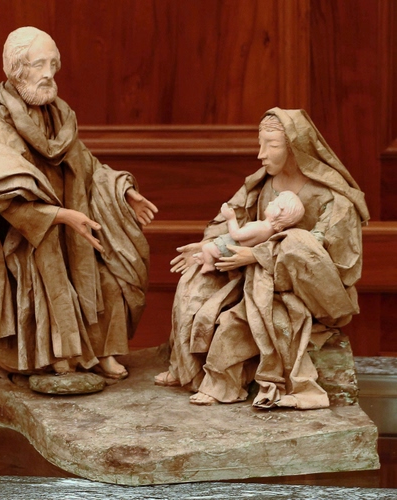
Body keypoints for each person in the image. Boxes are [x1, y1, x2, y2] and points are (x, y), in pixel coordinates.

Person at [0, 27, 158, 379]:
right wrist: (60, 216)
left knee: (109, 277)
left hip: (71, 229)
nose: (48, 74)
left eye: (53, 64)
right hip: (23, 242)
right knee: (46, 362)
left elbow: (87, 166)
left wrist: (123, 191)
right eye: (38, 65)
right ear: (16, 70)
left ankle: (100, 351)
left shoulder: (58, 117)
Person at [155, 108, 369, 408]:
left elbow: (321, 258)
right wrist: (208, 246)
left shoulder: (333, 198)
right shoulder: (263, 183)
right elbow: (234, 219)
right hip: (253, 271)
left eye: (272, 145)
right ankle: (186, 370)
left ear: (295, 147)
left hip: (304, 288)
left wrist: (256, 256)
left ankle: (222, 384)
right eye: (260, 144)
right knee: (194, 286)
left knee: (238, 320)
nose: (261, 154)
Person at [194, 190, 305, 273]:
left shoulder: (260, 227)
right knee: (208, 250)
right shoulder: (268, 231)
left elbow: (236, 235)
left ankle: (209, 265)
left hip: (230, 247)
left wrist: (231, 218)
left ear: (278, 212)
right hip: (233, 247)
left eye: (274, 203)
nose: (270, 202)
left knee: (207, 247)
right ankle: (204, 257)